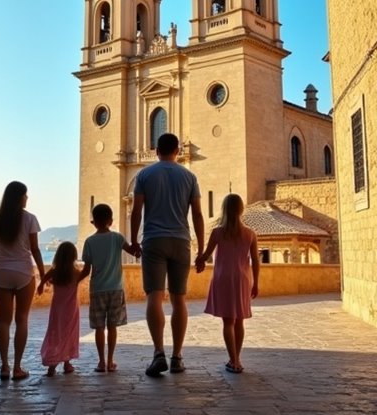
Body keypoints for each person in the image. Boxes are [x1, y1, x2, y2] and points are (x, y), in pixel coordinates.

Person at [129, 132, 205, 377]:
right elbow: (197, 215)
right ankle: (177, 357)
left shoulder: (144, 175)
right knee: (178, 299)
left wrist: (133, 240)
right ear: (178, 149)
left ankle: (158, 352)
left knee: (154, 296)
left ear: (156, 149)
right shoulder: (189, 177)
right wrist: (202, 249)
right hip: (181, 241)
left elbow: (137, 211)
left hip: (153, 240)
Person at [0, 181, 46, 381]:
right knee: (22, 319)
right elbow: (35, 250)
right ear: (19, 197)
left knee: (4, 320)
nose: (27, 198)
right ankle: (18, 367)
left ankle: (4, 366)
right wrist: (43, 275)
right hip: (24, 273)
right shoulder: (30, 219)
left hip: (1, 271)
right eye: (25, 195)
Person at [195, 193, 260, 374]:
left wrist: (198, 260)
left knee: (228, 322)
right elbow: (255, 260)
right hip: (242, 279)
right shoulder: (250, 234)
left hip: (222, 278)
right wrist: (256, 283)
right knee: (239, 321)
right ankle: (236, 359)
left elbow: (206, 255)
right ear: (241, 209)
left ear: (224, 208)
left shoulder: (217, 232)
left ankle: (233, 360)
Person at [79, 204, 137, 373]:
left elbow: (86, 270)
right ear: (111, 221)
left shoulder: (89, 242)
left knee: (99, 328)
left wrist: (73, 281)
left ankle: (101, 362)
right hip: (116, 289)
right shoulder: (117, 238)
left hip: (97, 290)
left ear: (93, 222)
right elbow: (133, 251)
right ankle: (111, 360)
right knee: (112, 327)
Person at [37, 241, 83, 376]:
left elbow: (44, 279)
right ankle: (67, 364)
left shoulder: (55, 271)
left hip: (57, 310)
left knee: (55, 333)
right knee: (69, 334)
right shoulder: (75, 273)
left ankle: (52, 365)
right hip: (72, 309)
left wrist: (41, 286)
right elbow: (87, 272)